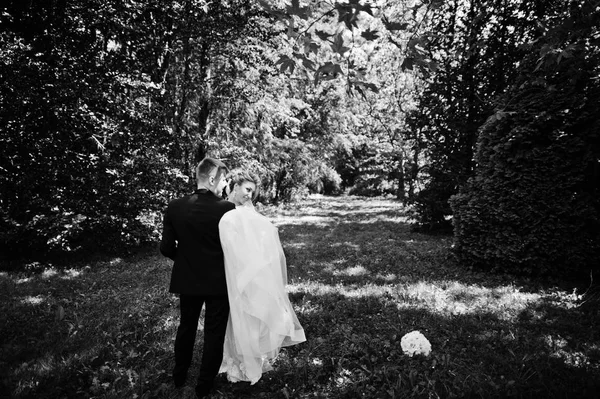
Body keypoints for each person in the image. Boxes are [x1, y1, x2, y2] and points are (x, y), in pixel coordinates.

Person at [218, 170, 306, 385]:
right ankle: (236, 363)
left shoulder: (247, 214)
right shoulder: (226, 214)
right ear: (234, 186)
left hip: (249, 272)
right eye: (247, 189)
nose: (250, 195)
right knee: (235, 319)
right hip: (230, 273)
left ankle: (251, 362)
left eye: (253, 192)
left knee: (252, 318)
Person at [159, 157, 235, 398]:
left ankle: (179, 376)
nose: (224, 185)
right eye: (223, 179)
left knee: (186, 327)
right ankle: (203, 385)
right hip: (218, 281)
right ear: (212, 179)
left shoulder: (175, 206)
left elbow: (166, 247)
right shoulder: (226, 208)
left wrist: (184, 259)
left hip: (188, 278)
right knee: (214, 332)